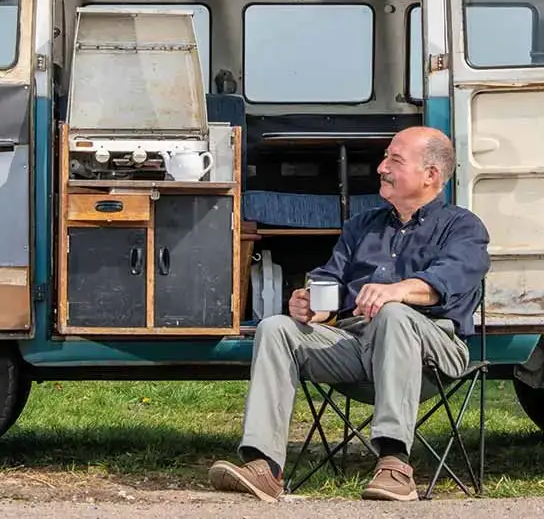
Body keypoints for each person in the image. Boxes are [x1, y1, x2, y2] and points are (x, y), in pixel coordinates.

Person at [209, 126, 490, 503]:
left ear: (431, 175)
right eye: (385, 157)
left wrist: (398, 292)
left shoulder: (463, 227)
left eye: (395, 159)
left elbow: (448, 280)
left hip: (433, 348)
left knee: (394, 315)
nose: (381, 167)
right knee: (276, 328)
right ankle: (265, 468)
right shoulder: (362, 225)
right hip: (356, 343)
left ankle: (395, 465)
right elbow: (331, 280)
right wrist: (311, 303)